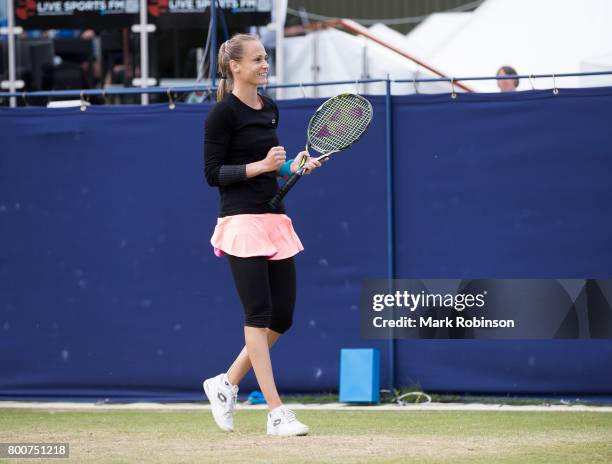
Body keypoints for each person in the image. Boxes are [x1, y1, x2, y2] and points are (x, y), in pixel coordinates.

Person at [202, 33, 322, 437]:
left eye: (265, 58)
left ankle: (226, 383)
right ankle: (275, 411)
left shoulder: (269, 109)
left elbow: (274, 167)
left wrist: (292, 167)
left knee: (282, 316)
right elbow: (213, 174)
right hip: (241, 222)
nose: (264, 64)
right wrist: (258, 166)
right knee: (257, 314)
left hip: (273, 219)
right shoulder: (221, 114)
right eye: (256, 59)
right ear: (235, 66)